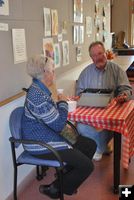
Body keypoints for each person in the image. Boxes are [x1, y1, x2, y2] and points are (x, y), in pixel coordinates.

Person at [21, 54, 97, 199]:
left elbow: (51, 117)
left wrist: (60, 105)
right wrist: (63, 103)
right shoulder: (37, 94)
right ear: (45, 73)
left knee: (90, 145)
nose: (54, 73)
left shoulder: (39, 88)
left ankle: (65, 176)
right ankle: (55, 188)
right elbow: (57, 124)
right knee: (87, 166)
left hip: (48, 135)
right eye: (53, 70)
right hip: (40, 143)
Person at [76, 41, 132, 161]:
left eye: (100, 53)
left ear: (105, 53)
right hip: (90, 114)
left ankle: (99, 148)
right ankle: (102, 146)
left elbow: (126, 89)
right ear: (91, 58)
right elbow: (79, 93)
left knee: (115, 125)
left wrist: (123, 95)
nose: (98, 57)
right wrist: (81, 97)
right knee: (80, 127)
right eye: (94, 55)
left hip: (109, 114)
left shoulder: (116, 70)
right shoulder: (85, 73)